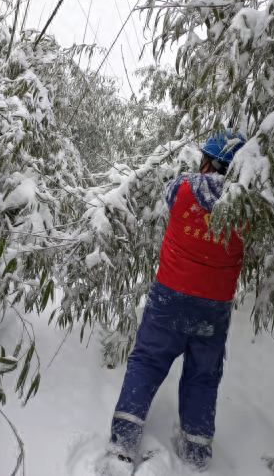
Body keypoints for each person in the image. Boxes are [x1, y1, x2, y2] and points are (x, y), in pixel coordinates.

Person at [97, 130, 248, 475]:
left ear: (208, 162)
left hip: (170, 296)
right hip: (214, 309)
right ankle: (195, 455)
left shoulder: (183, 189)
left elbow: (169, 199)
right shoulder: (247, 208)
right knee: (202, 377)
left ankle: (122, 446)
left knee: (147, 362)